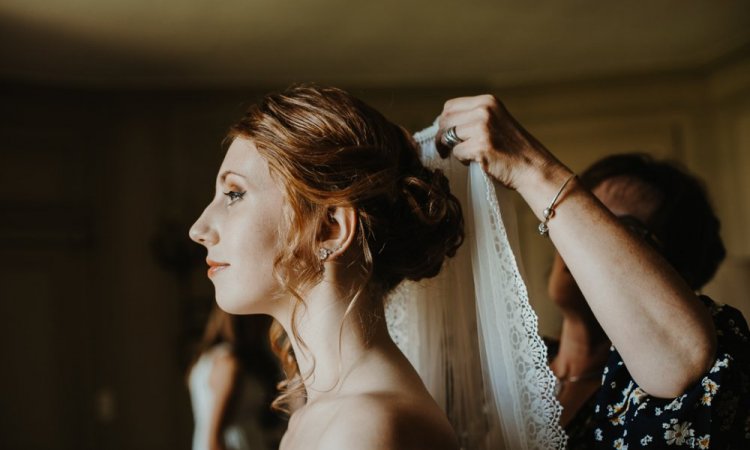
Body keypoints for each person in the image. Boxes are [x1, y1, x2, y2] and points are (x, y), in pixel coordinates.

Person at [437, 95, 750, 449]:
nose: (579, 246)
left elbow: (689, 357)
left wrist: (530, 168)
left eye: (623, 233)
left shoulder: (670, 381)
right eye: (587, 219)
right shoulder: (502, 366)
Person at [189, 85, 463, 450]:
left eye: (234, 194)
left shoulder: (363, 428)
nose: (198, 230)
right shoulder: (317, 417)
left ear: (330, 229)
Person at [187, 304, 281, 450]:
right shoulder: (229, 363)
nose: (264, 325)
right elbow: (214, 437)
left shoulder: (210, 357)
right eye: (258, 319)